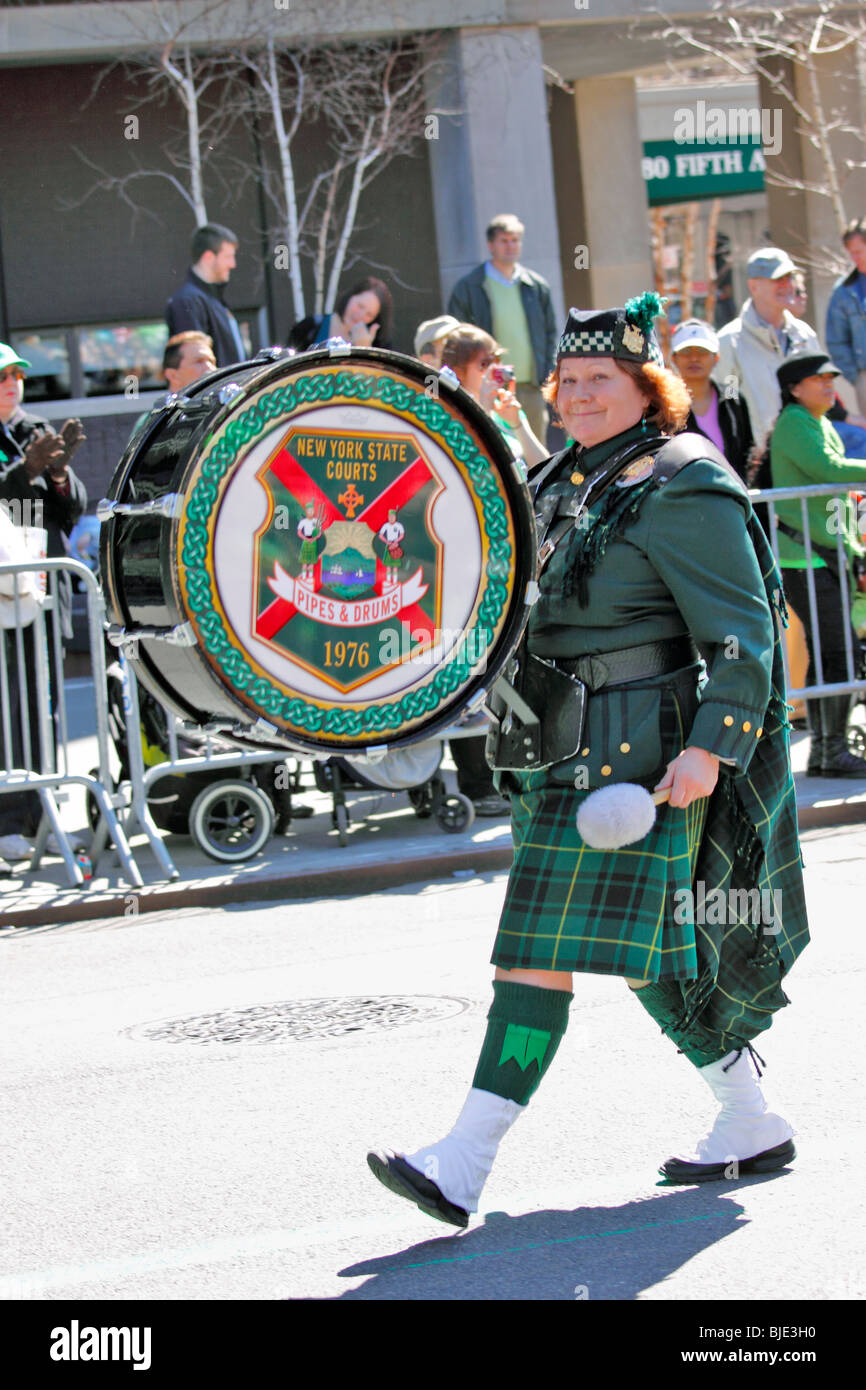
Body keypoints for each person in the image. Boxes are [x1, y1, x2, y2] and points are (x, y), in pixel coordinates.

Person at [368, 293, 809, 1226]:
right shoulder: (564, 477)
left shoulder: (683, 480)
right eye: (566, 381)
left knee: (536, 953)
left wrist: (708, 752)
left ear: (648, 387)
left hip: (637, 761)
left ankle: (464, 1162)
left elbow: (745, 637)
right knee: (645, 956)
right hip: (555, 749)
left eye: (599, 380)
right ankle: (751, 1115)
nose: (577, 396)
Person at [0, 343, 88, 858]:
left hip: (42, 588)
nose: (12, 383)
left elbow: (70, 510)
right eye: (2, 376)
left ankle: (46, 818)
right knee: (8, 708)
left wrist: (56, 473)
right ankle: (8, 820)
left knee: (46, 704)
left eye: (17, 375)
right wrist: (22, 472)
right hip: (4, 595)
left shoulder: (37, 429)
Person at [769, 349, 866, 778]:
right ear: (794, 388)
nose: (830, 384)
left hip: (825, 557)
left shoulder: (818, 421)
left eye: (832, 378)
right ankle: (830, 752)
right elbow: (828, 469)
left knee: (838, 653)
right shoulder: (794, 422)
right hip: (803, 558)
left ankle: (830, 752)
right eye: (820, 378)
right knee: (835, 654)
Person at [447, 213, 558, 442]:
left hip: (530, 387)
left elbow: (550, 334)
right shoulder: (469, 287)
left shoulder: (536, 287)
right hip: (489, 387)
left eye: (515, 240)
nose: (511, 246)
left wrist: (546, 374)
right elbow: (456, 338)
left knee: (535, 454)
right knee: (495, 447)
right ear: (490, 245)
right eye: (504, 241)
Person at [715, 246, 820, 444]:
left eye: (789, 277)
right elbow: (728, 401)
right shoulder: (730, 342)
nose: (786, 285)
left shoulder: (804, 335)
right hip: (760, 460)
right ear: (753, 286)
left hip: (810, 451)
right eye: (777, 278)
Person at [671, 318, 753, 481]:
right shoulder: (663, 405)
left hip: (733, 498)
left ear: (716, 358)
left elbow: (746, 450)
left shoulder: (733, 399)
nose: (694, 358)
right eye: (686, 351)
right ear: (674, 358)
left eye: (702, 351)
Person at [165, 223, 246, 368]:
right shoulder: (188, 302)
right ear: (208, 257)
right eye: (228, 257)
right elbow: (193, 366)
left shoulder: (214, 301)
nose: (233, 264)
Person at [826, 216, 866, 419]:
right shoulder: (844, 291)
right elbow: (836, 340)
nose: (854, 258)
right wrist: (858, 377)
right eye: (851, 253)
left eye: (858, 251)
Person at [288, 278, 392, 352]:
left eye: (369, 314)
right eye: (360, 306)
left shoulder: (379, 345)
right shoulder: (308, 327)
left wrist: (365, 348)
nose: (360, 315)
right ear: (350, 297)